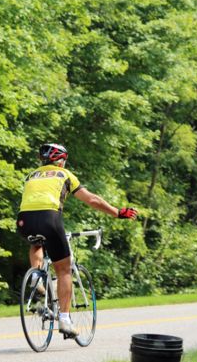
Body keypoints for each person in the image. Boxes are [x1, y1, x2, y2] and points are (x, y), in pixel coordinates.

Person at [16, 143, 137, 337]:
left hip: (24, 221)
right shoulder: (64, 175)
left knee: (36, 242)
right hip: (50, 218)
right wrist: (117, 212)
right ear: (60, 160)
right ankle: (65, 319)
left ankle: (36, 278)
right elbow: (92, 200)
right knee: (64, 270)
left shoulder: (31, 175)